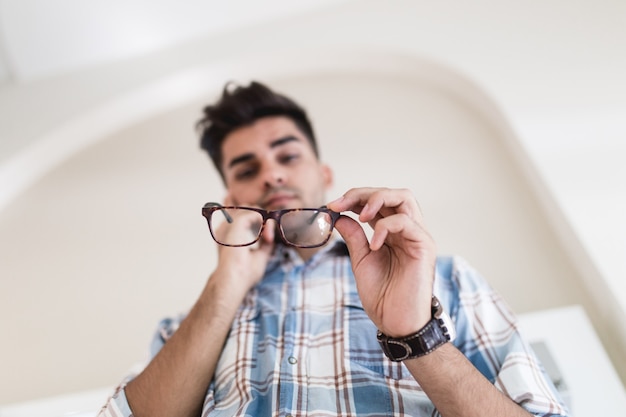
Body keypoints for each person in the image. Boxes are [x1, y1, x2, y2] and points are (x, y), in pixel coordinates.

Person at [99, 81, 569, 417]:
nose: (272, 175)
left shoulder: (444, 280)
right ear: (231, 201)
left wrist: (417, 334)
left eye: (288, 156)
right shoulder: (187, 327)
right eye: (246, 169)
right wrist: (226, 285)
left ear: (325, 174)